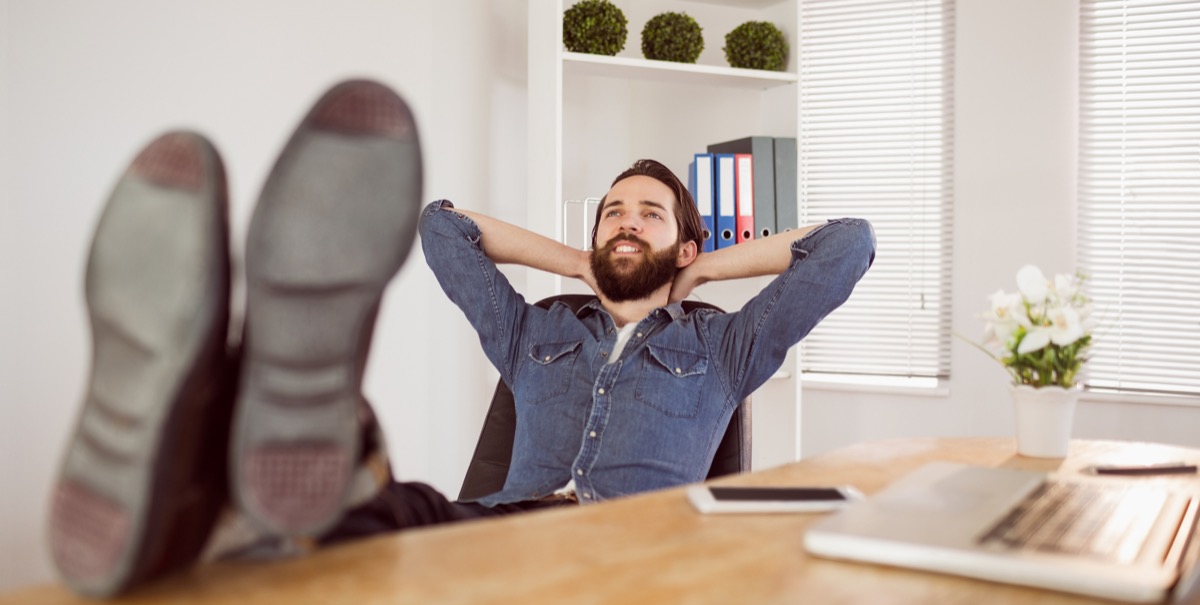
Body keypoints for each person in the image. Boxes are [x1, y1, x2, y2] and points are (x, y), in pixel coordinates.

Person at [47, 79, 875, 599]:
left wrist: (697, 272)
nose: (626, 223)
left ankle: (209, 484)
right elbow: (443, 228)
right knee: (385, 509)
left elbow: (849, 244)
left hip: (631, 551)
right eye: (611, 213)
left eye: (648, 216)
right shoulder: (535, 328)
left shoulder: (725, 348)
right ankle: (223, 495)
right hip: (496, 524)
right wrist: (587, 264)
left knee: (340, 530)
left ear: (684, 244)